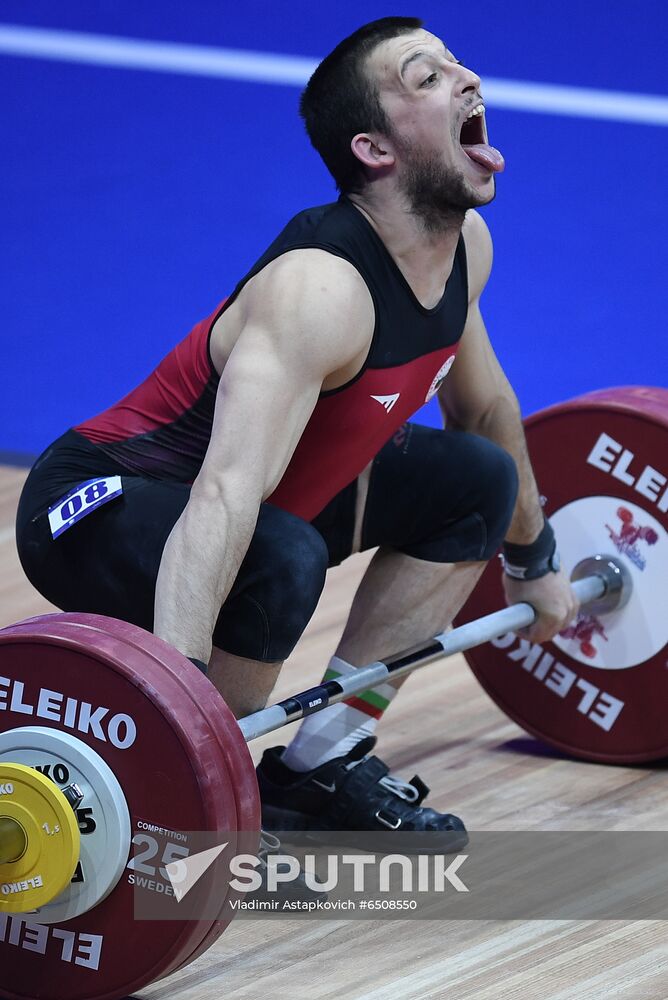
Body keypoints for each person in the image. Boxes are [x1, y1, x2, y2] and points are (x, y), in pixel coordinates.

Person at [16, 17, 579, 848]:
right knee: (278, 559)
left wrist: (534, 564)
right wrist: (180, 715)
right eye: (427, 77)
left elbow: (485, 414)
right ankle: (210, 788)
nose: (467, 79)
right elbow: (224, 489)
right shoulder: (319, 291)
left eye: (458, 63)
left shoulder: (466, 249)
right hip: (100, 501)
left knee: (477, 483)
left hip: (272, 498)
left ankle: (322, 758)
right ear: (375, 150)